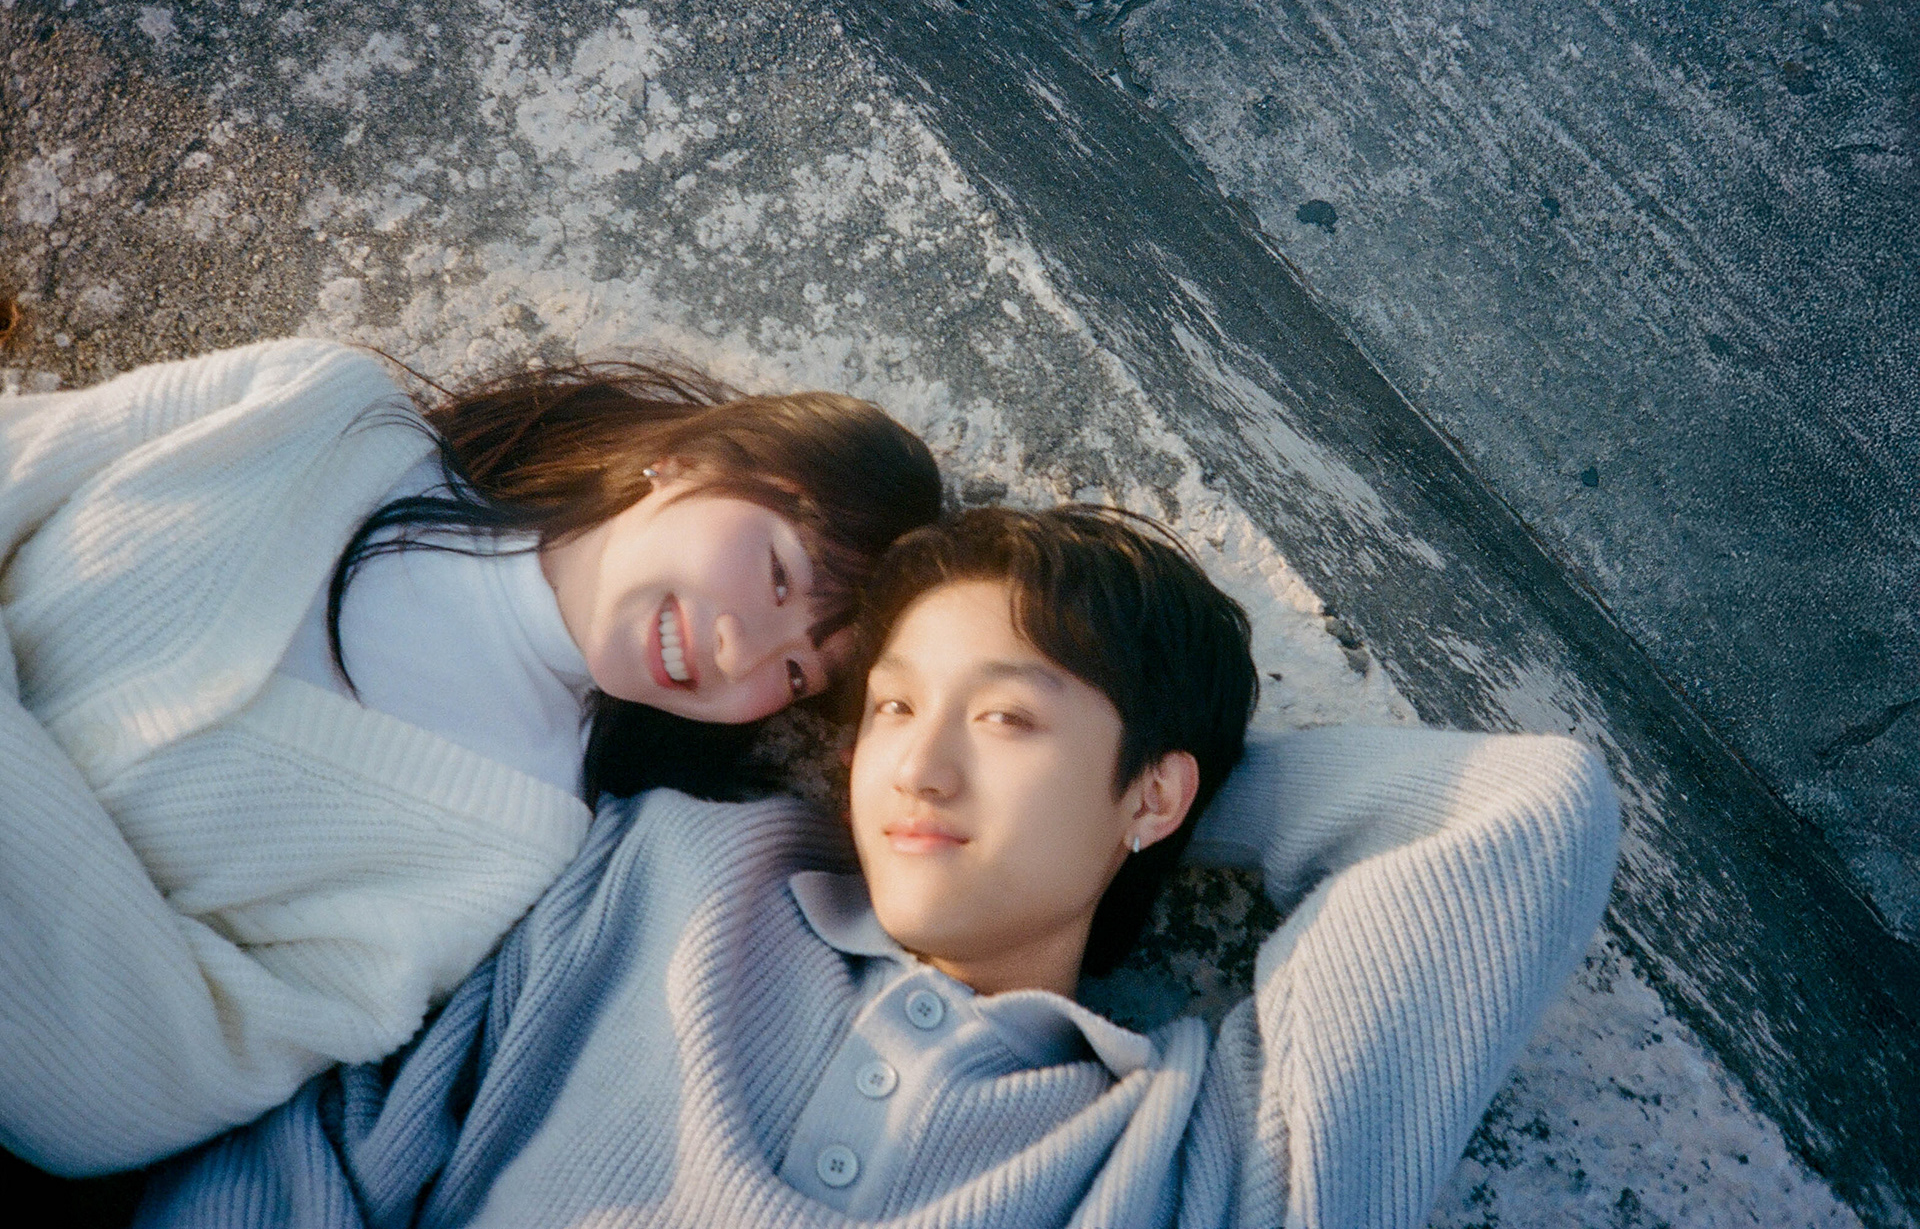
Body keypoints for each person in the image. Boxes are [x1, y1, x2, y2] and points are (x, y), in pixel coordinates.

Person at [141, 505, 1619, 1229]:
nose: (916, 767)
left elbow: (1526, 816)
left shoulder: (1191, 1155)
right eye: (896, 709)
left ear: (1155, 791)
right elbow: (314, 1162)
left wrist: (1184, 787)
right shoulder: (672, 879)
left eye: (1006, 719)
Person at [0, 336, 941, 1176]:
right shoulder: (321, 410)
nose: (741, 655)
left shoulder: (514, 845)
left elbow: (130, 1086)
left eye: (795, 673)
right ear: (689, 459)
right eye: (777, 572)